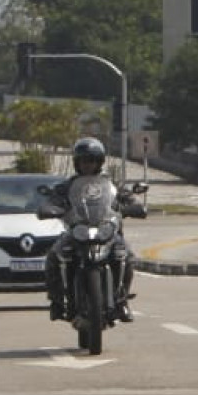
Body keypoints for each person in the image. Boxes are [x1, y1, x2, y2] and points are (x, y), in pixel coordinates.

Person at [41, 136, 141, 323]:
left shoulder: (111, 185)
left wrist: (134, 206)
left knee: (126, 255)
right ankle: (56, 301)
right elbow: (53, 200)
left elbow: (127, 198)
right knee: (53, 256)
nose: (89, 165)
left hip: (107, 231)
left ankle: (122, 300)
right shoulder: (68, 185)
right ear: (77, 162)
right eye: (85, 160)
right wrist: (50, 208)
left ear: (100, 162)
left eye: (93, 160)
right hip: (77, 231)